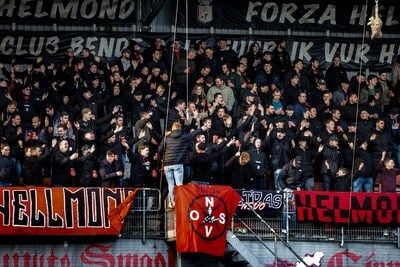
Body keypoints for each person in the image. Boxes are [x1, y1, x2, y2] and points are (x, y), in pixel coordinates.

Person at [159, 121, 207, 209]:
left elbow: (159, 149)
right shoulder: (183, 136)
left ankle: (171, 202)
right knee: (179, 184)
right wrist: (202, 129)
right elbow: (192, 134)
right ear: (180, 128)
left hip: (167, 164)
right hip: (178, 163)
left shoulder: (167, 137)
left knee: (170, 184)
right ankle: (179, 201)